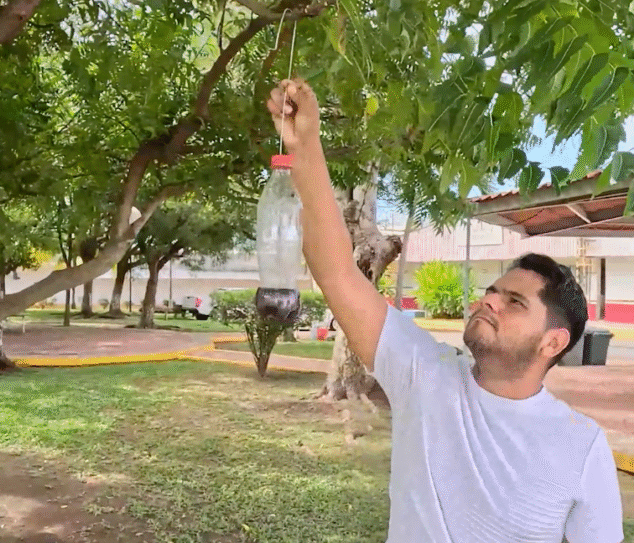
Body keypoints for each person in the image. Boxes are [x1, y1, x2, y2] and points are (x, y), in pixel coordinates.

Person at [267, 79, 624, 543]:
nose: (489, 301)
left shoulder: (582, 447)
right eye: (493, 292)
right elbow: (336, 273)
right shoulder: (425, 374)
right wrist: (305, 147)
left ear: (552, 342)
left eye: (514, 302)